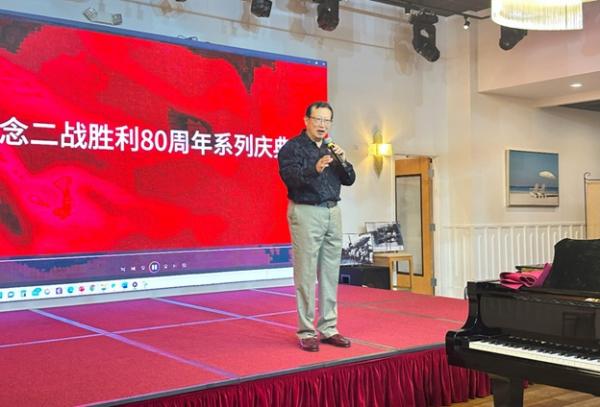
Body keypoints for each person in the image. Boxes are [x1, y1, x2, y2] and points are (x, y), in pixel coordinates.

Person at [278, 101, 356, 352]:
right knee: (306, 272)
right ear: (306, 120)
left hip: (333, 211)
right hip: (306, 211)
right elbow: (290, 178)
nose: (322, 125)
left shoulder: (332, 148)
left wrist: (344, 161)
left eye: (327, 121)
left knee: (331, 272)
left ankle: (329, 327)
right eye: (318, 119)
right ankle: (306, 331)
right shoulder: (293, 147)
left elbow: (349, 179)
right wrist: (315, 169)